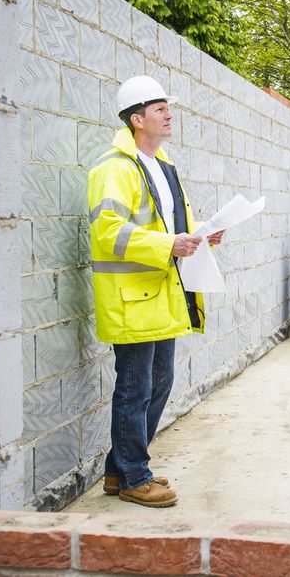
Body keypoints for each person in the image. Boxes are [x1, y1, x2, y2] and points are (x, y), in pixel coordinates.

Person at [86, 75, 224, 508]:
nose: (170, 114)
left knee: (159, 384)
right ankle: (133, 477)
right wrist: (170, 245)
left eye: (169, 108)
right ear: (136, 119)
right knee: (135, 389)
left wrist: (200, 234)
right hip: (132, 300)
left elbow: (168, 225)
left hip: (161, 295)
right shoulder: (113, 168)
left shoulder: (161, 166)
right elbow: (107, 231)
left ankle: (120, 469)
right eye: (161, 108)